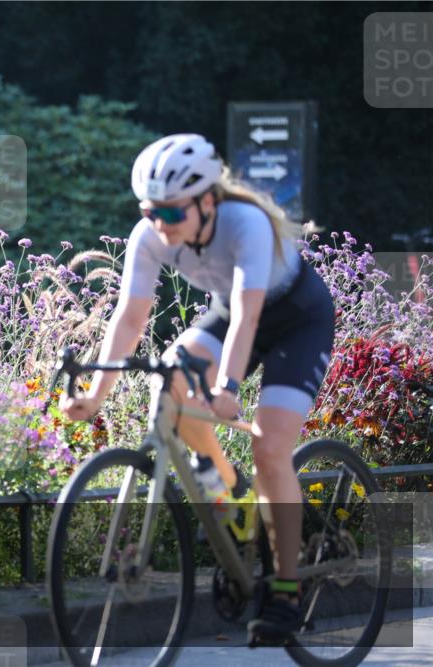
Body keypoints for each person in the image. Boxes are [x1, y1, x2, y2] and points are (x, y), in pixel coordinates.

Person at [59, 133, 335, 645]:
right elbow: (130, 318)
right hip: (233, 313)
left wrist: (228, 385)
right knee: (170, 382)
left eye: (172, 213)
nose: (160, 226)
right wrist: (96, 395)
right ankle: (233, 500)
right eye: (151, 212)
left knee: (269, 446)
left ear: (208, 201)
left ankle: (286, 589)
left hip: (295, 319)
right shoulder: (150, 235)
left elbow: (249, 317)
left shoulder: (244, 223)